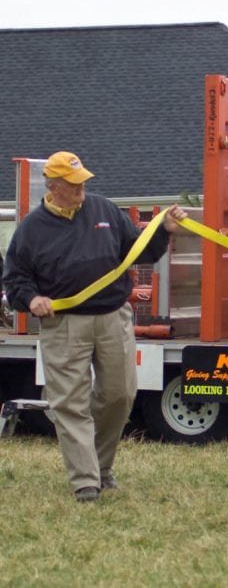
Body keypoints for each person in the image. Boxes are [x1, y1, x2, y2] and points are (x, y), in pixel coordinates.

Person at [1, 151, 187, 502]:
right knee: (69, 403)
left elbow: (138, 252)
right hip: (63, 324)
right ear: (53, 187)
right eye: (73, 185)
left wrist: (163, 232)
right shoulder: (31, 229)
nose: (81, 189)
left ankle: (101, 467)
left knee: (120, 395)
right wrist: (31, 300)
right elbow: (15, 279)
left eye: (83, 181)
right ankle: (86, 482)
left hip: (112, 318)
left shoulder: (104, 210)